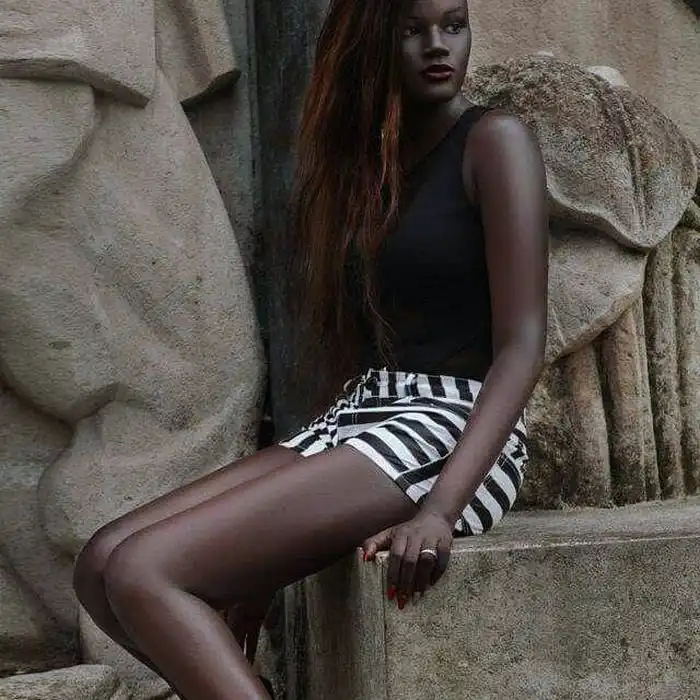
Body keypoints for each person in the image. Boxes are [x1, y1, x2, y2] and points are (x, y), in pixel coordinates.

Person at [73, 0, 548, 698]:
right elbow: (357, 354)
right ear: (370, 42)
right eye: (411, 30)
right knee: (100, 565)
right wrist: (262, 556)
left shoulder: (495, 141)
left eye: (453, 25)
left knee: (144, 571)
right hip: (362, 417)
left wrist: (440, 511)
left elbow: (524, 344)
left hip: (455, 429)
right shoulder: (361, 168)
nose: (437, 46)